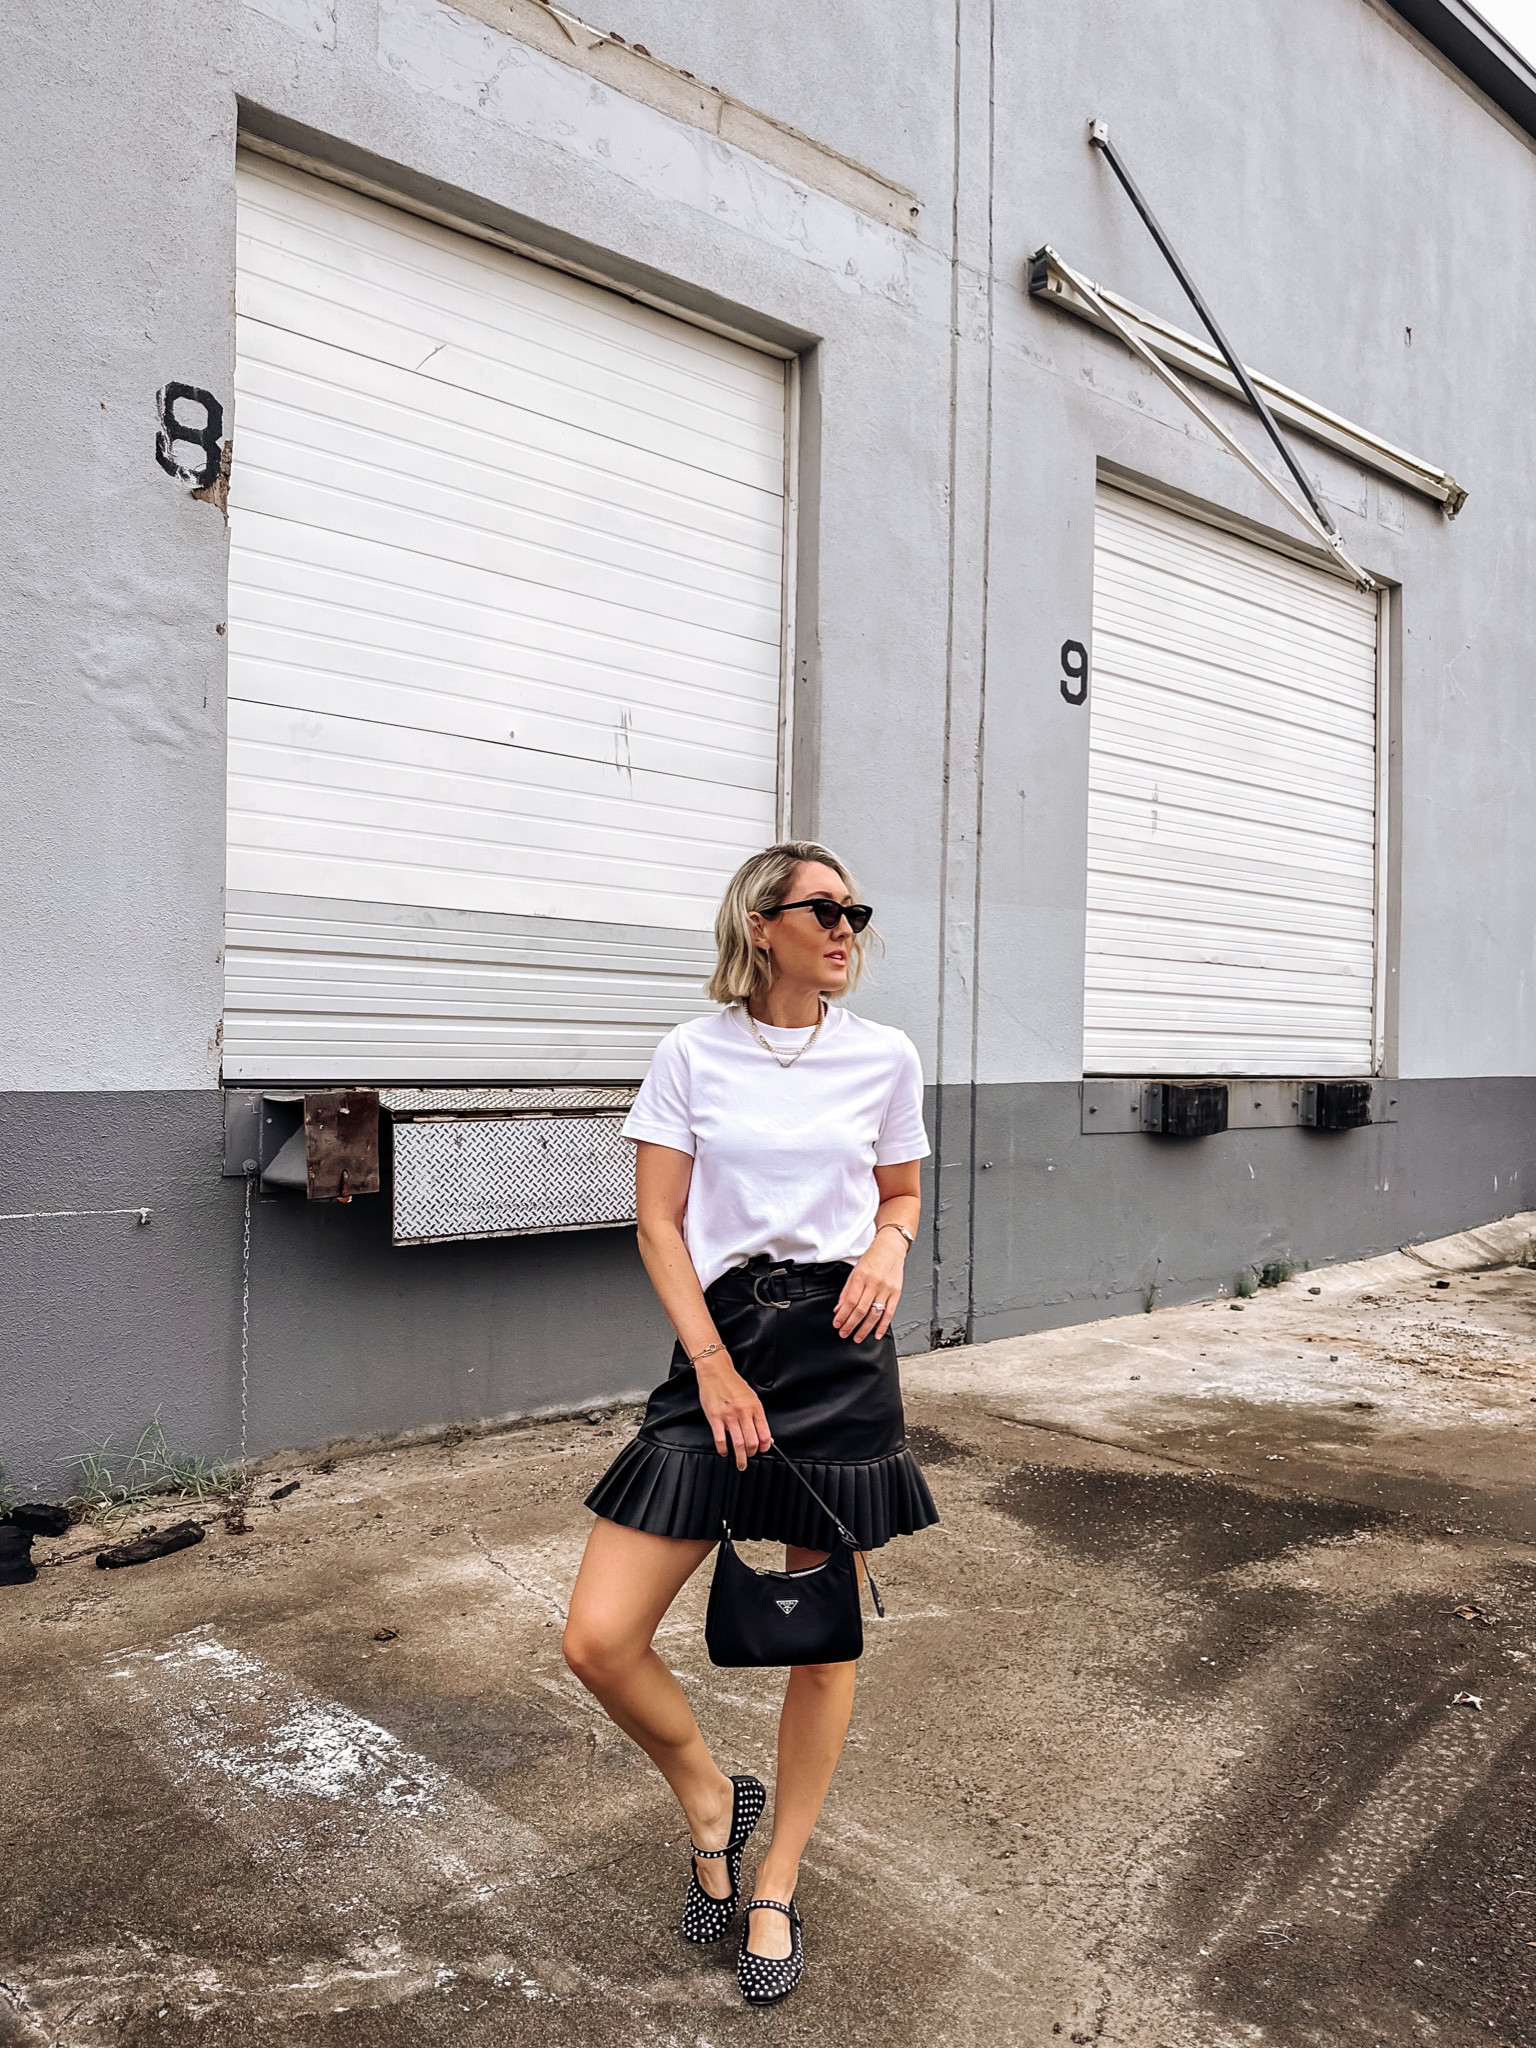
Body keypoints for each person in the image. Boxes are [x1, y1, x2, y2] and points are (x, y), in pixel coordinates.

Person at [562, 840, 938, 2006]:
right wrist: (717, 1369)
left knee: (822, 1633)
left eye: (855, 910)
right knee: (598, 1636)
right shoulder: (692, 1050)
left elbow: (905, 1190)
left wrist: (887, 1243)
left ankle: (772, 1877)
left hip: (842, 1356)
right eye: (822, 908)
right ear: (760, 923)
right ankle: (711, 1795)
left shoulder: (884, 1054)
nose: (846, 926)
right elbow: (659, 1224)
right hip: (721, 1349)